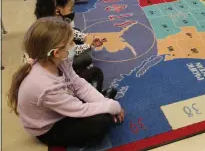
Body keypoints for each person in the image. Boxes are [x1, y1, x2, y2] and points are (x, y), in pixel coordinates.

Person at [7, 17, 124, 147]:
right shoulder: (45, 87)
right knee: (101, 122)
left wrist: (104, 102)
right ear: (57, 52)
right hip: (51, 127)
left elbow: (77, 83)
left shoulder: (58, 60)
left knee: (95, 73)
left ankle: (100, 103)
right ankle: (100, 108)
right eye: (71, 43)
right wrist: (111, 106)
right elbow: (79, 110)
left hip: (63, 100)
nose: (75, 46)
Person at [34, 0, 116, 98]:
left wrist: (85, 38)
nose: (73, 12)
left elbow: (72, 32)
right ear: (57, 11)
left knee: (77, 33)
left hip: (59, 64)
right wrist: (88, 44)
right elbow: (71, 51)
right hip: (62, 76)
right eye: (71, 9)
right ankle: (97, 97)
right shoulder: (54, 32)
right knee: (91, 67)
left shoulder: (50, 23)